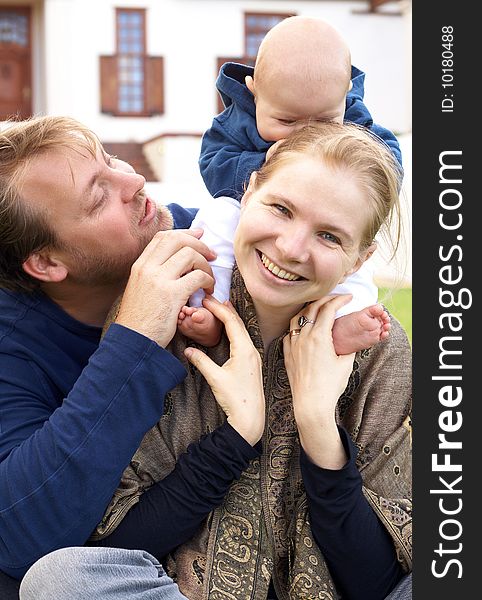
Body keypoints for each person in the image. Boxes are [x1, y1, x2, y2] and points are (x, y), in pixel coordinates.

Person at [20, 122, 412, 600]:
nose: (291, 248)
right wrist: (236, 436)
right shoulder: (166, 318)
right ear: (248, 193)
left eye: (329, 236)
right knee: (60, 579)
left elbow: (382, 582)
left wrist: (318, 430)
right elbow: (117, 544)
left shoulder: (381, 351)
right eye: (281, 209)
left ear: (358, 259)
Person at [0, 115, 274, 592]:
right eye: (98, 195)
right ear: (46, 263)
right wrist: (136, 335)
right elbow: (22, 536)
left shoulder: (211, 239)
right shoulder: (12, 346)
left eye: (110, 160)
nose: (133, 180)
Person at [178, 15, 400, 353]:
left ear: (345, 95)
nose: (306, 134)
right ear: (255, 92)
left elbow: (389, 161)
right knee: (214, 222)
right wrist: (264, 164)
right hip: (251, 204)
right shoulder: (237, 120)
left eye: (326, 121)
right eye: (286, 121)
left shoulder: (356, 118)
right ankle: (212, 307)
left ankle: (344, 321)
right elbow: (213, 162)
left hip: (329, 211)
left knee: (347, 256)